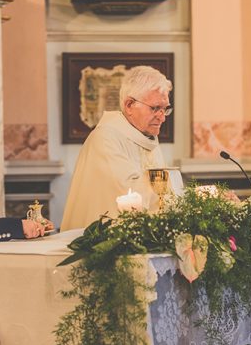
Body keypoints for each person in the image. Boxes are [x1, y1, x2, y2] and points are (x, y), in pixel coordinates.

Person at [61, 65, 172, 230]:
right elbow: (127, 193)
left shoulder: (148, 140)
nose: (162, 117)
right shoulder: (105, 139)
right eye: (155, 108)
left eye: (165, 109)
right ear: (129, 105)